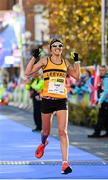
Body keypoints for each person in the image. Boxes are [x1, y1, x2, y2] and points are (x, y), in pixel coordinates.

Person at [25, 39, 80, 174]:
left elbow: (77, 76)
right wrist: (34, 57)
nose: (57, 47)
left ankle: (65, 163)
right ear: (51, 49)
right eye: (54, 46)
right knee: (45, 132)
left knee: (63, 131)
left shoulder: (66, 62)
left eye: (60, 46)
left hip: (61, 100)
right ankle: (44, 143)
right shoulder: (45, 61)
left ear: (62, 48)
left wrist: (77, 61)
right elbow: (28, 72)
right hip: (47, 101)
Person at [88, 65, 108, 138]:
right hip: (106, 100)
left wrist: (100, 101)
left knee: (101, 117)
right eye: (100, 70)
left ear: (106, 71)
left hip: (105, 101)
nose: (101, 72)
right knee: (106, 118)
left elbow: (106, 91)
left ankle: (97, 133)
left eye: (103, 70)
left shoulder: (106, 79)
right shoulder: (107, 78)